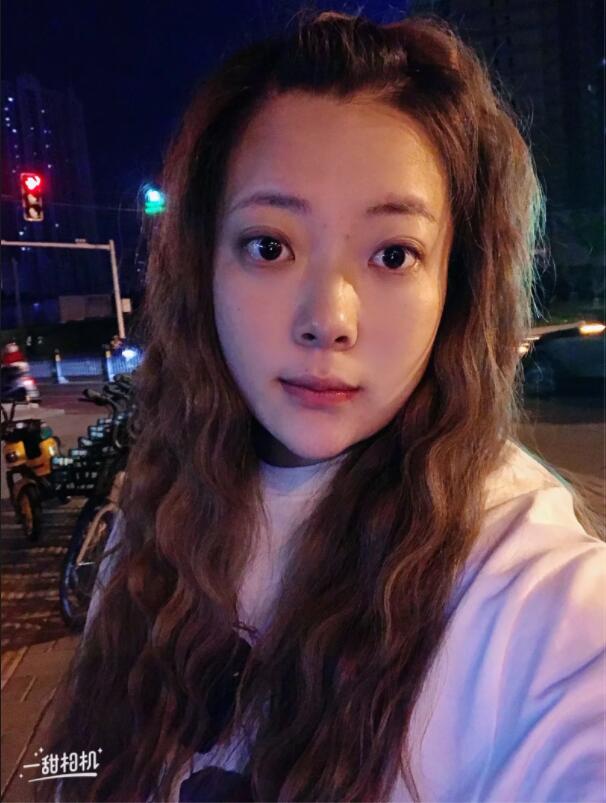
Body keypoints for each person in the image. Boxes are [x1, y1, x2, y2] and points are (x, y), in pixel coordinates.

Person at [42, 10, 605, 803]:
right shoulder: (158, 516)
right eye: (270, 246)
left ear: (455, 285)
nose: (329, 318)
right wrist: (50, 773)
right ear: (203, 268)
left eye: (393, 254)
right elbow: (80, 762)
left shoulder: (526, 591)